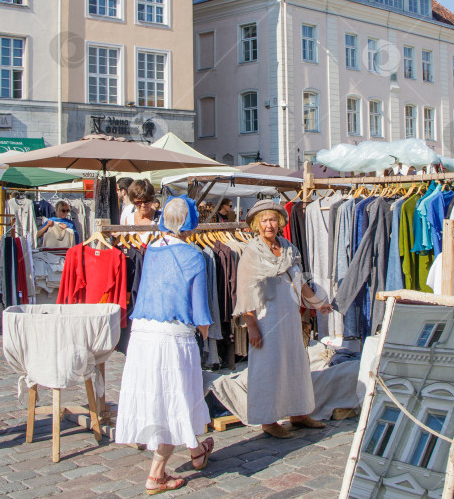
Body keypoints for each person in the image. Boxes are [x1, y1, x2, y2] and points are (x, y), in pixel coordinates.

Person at [115, 196, 214, 494]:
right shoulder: (195, 256)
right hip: (173, 335)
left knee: (160, 395)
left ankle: (196, 451)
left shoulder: (152, 249)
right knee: (173, 398)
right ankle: (156, 475)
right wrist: (205, 335)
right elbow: (201, 311)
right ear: (191, 222)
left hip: (143, 333)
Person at [234, 200, 333, 439]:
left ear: (280, 222)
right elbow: (245, 292)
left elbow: (298, 281)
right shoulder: (252, 252)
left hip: (289, 318)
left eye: (273, 219)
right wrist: (253, 328)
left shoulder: (288, 247)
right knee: (269, 369)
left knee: (295, 364)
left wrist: (318, 304)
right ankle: (268, 420)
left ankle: (298, 413)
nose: (269, 225)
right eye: (265, 220)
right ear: (257, 225)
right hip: (267, 320)